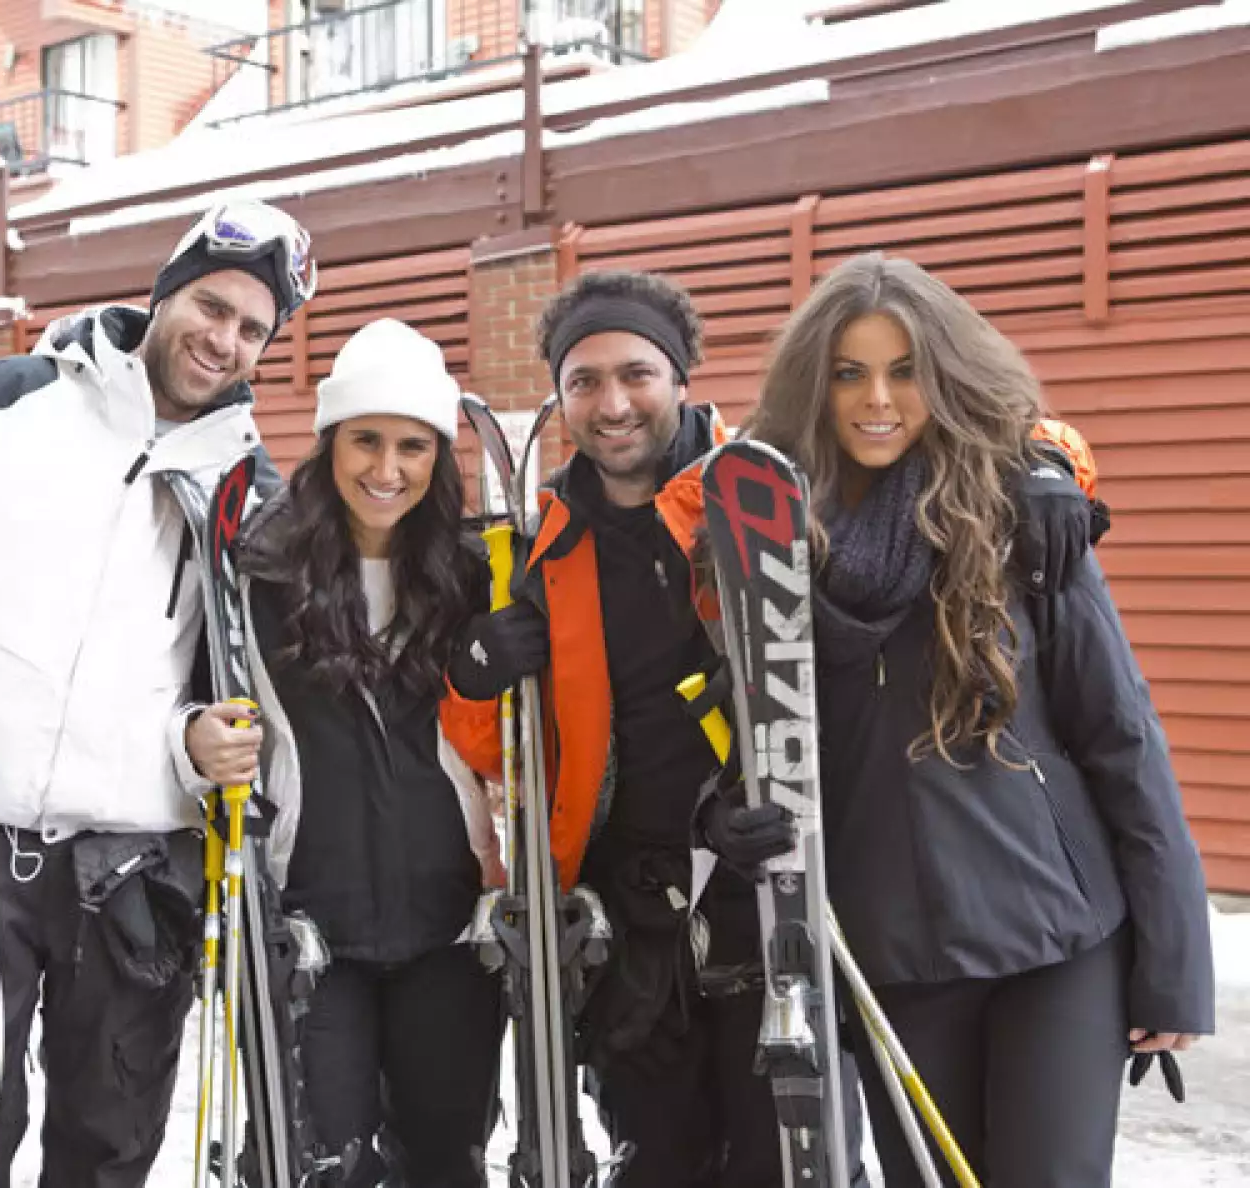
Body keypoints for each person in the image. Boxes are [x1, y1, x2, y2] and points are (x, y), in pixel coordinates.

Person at [441, 268, 1100, 1187]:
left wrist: (1048, 461)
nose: (612, 402)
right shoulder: (539, 544)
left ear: (682, 379)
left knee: (796, 1160)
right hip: (630, 921)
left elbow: (935, 428)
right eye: (583, 382)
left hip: (772, 894)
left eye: (636, 373)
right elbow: (497, 753)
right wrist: (475, 675)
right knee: (660, 1163)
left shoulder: (759, 491)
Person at [0, 199, 316, 1187]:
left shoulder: (244, 492)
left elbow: (244, 692)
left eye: (253, 329)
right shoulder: (10, 402)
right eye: (210, 306)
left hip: (135, 878)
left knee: (107, 1152)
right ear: (166, 291)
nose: (223, 340)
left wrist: (194, 744)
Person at [709, 251, 1215, 1186]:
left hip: (1055, 940)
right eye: (850, 373)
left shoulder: (1021, 516)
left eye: (906, 371)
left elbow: (1122, 736)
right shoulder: (769, 542)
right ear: (813, 385)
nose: (878, 400)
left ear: (945, 377)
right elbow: (745, 738)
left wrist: (1175, 958)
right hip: (891, 949)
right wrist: (725, 820)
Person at [184, 318, 505, 1187]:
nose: (387, 469)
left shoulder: (476, 578)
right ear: (330, 443)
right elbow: (189, 704)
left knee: (447, 1160)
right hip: (306, 924)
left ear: (439, 458)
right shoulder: (257, 577)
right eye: (365, 440)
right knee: (322, 1165)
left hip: (447, 922)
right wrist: (192, 740)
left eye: (412, 446)